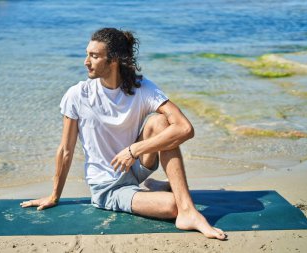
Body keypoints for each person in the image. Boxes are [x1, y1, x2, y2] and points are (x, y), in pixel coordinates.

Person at [20, 27, 226, 240]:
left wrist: (135, 149)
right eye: (87, 54)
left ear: (114, 60)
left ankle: (188, 212)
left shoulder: (141, 88)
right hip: (108, 186)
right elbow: (65, 150)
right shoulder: (78, 95)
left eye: (94, 56)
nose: (86, 61)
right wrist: (54, 196)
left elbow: (185, 128)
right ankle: (169, 198)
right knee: (171, 206)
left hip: (134, 165)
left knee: (161, 122)